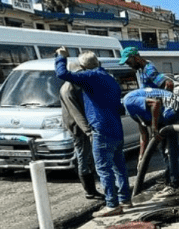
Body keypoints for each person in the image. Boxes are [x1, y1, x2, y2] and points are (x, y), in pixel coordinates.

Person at [54, 48, 131, 217]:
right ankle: (126, 198)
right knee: (119, 167)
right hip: (116, 128)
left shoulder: (90, 77)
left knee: (104, 169)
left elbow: (62, 74)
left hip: (101, 129)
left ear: (83, 67)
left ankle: (112, 204)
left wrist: (61, 57)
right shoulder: (110, 79)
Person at [122, 85, 179, 199]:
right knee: (162, 148)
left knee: (170, 149)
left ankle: (174, 185)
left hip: (174, 108)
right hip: (170, 109)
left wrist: (154, 128)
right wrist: (141, 157)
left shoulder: (129, 101)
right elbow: (143, 135)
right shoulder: (133, 111)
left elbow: (156, 103)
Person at [58, 63, 103, 201]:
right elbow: (76, 113)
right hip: (78, 128)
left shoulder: (75, 85)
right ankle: (90, 190)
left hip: (83, 126)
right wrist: (89, 132)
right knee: (83, 158)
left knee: (88, 157)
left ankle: (92, 188)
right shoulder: (68, 88)